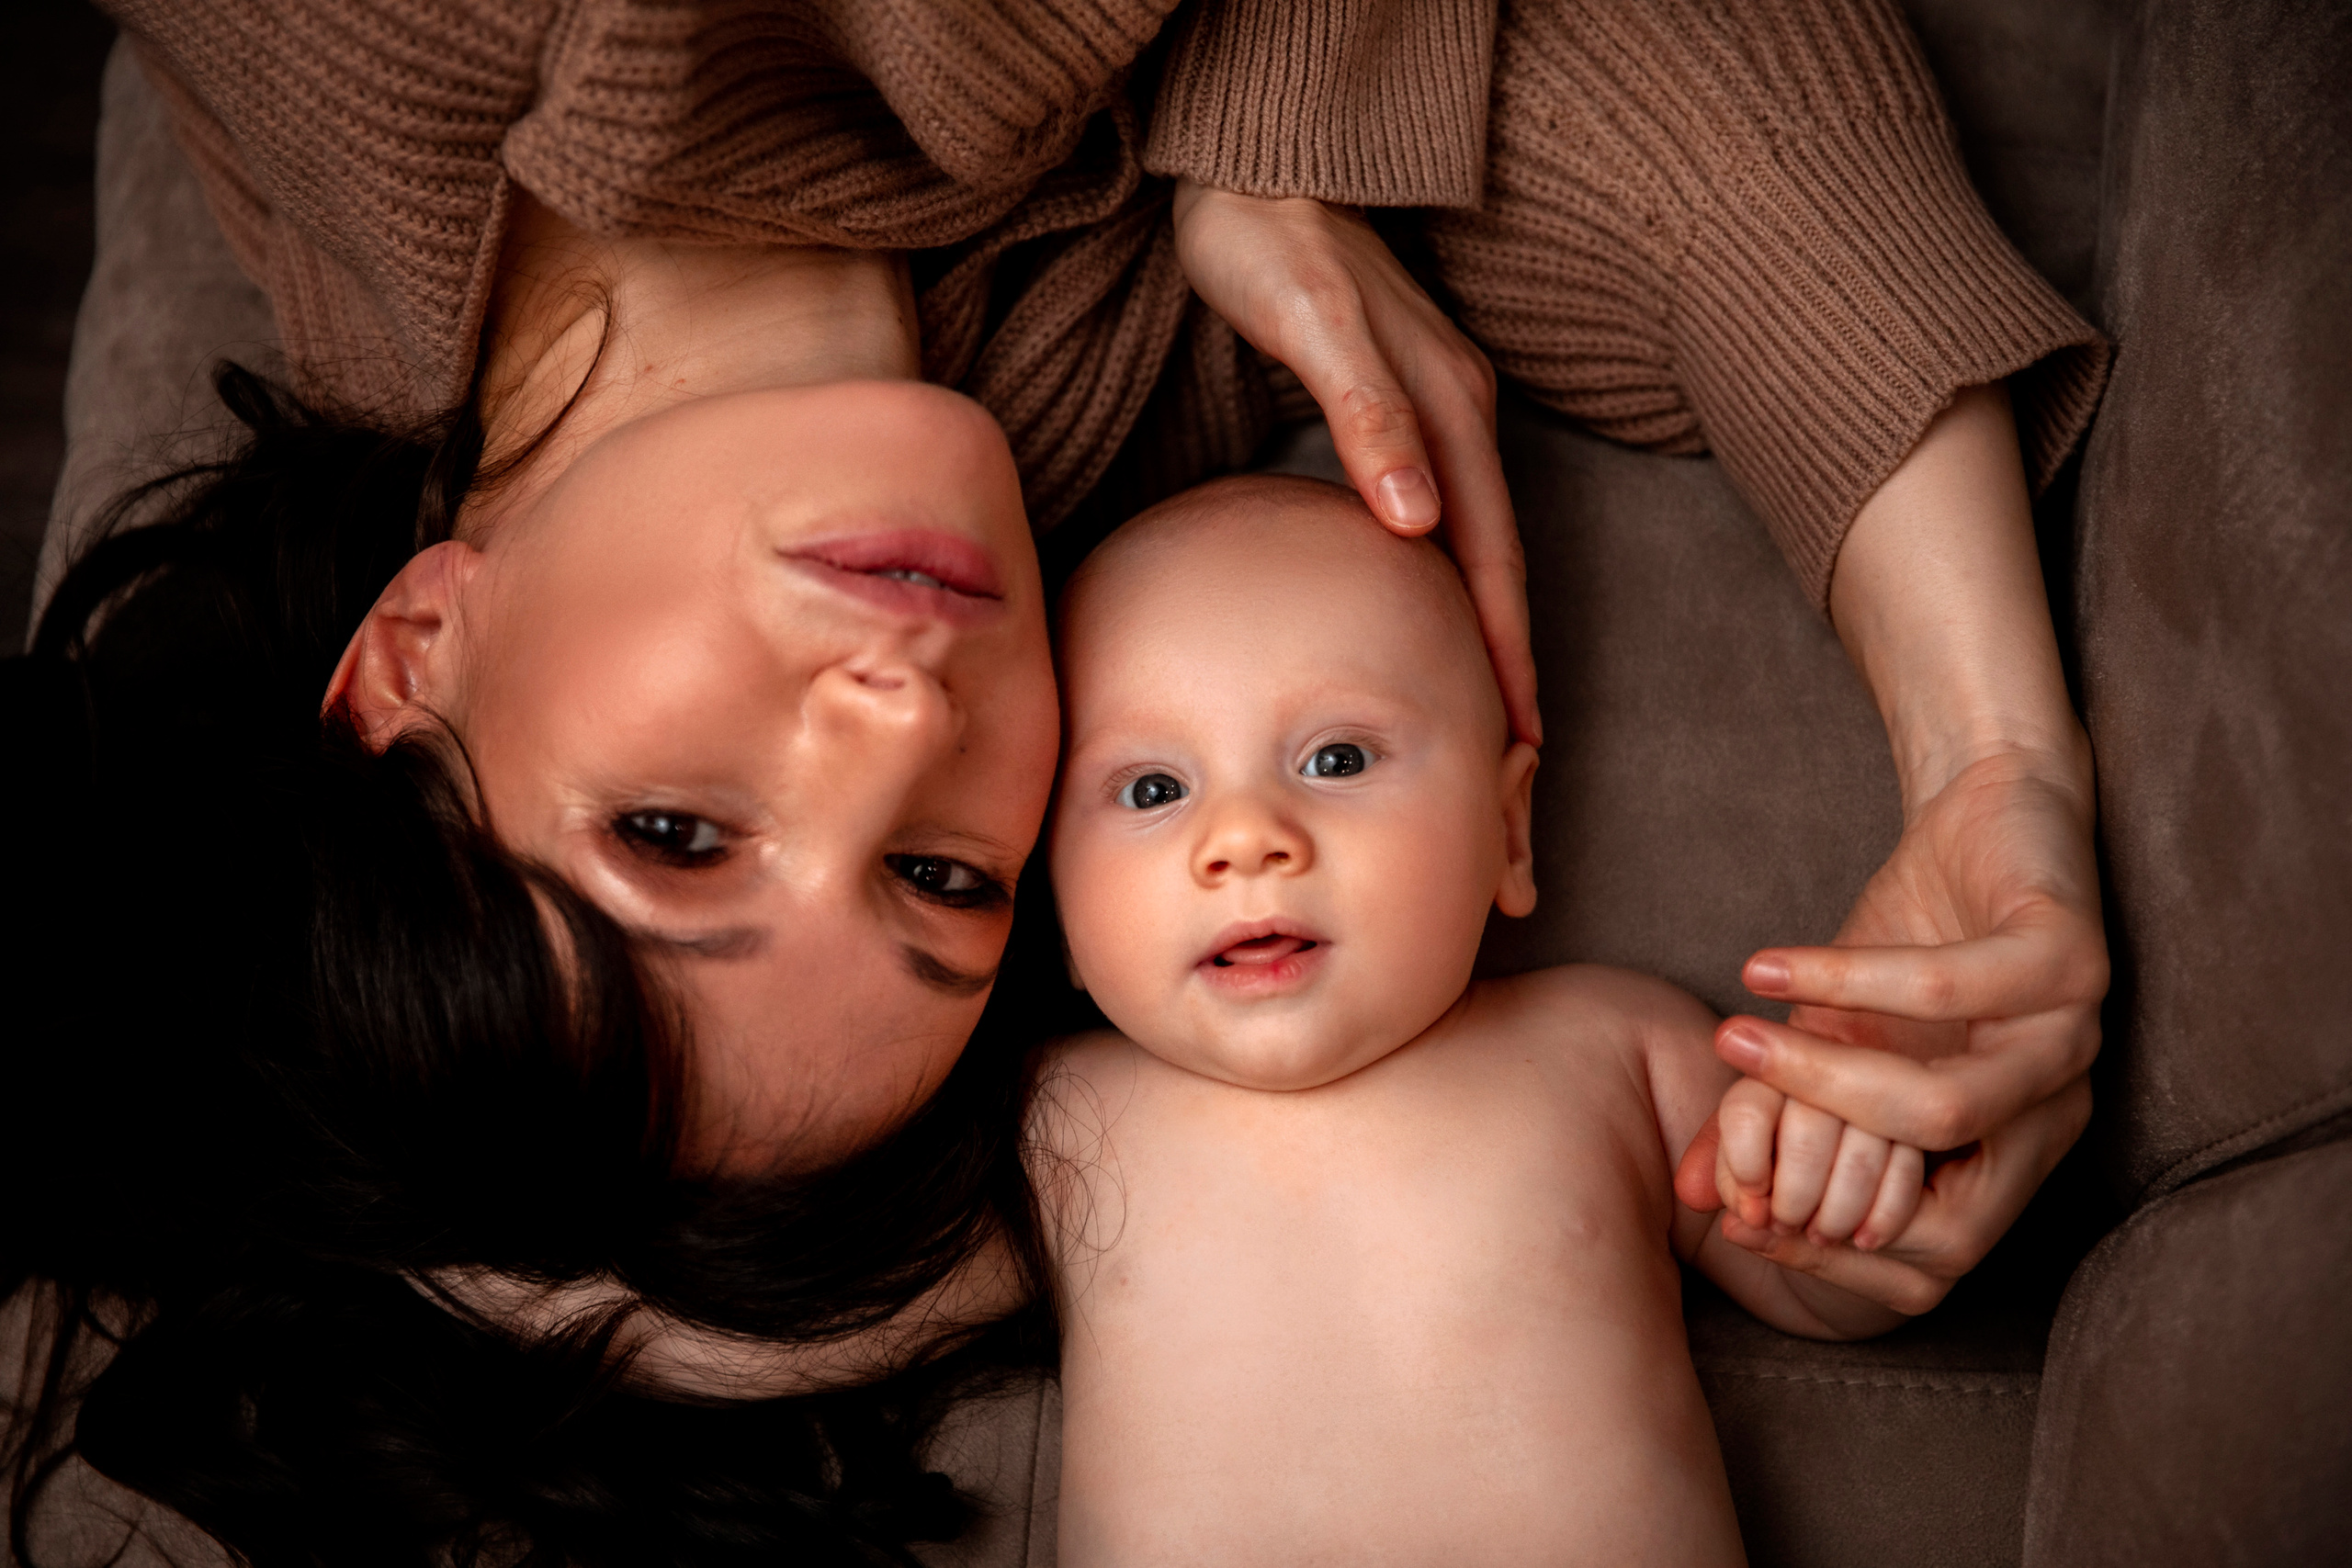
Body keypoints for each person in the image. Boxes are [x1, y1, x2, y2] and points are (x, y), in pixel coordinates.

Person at [5, 0, 2108, 1560]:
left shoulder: (370, 57)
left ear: (409, 652)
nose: (904, 716)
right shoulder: (1116, 422)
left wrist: (1251, 97)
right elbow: (1704, 126)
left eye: (675, 833)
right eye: (942, 875)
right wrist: (1991, 767)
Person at [1039, 477, 1911, 1564]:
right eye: (1151, 790)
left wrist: (1842, 1184)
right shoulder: (1052, 1118)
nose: (1244, 837)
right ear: (1051, 902)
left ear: (1509, 830)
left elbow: (1834, 1294)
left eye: (1335, 760)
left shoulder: (1618, 1049)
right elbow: (848, 1307)